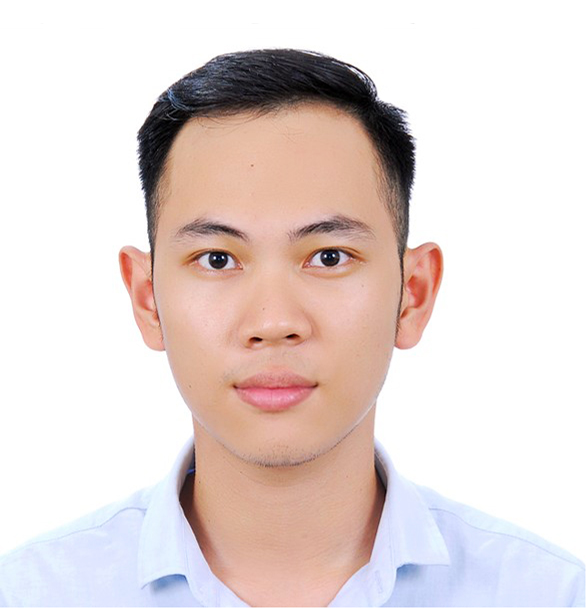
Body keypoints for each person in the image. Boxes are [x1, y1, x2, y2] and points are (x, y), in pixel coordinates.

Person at [0, 49, 583, 607]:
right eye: (217, 259)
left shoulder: (550, 595)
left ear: (414, 294)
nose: (274, 323)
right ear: (147, 298)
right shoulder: (30, 595)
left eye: (328, 257)